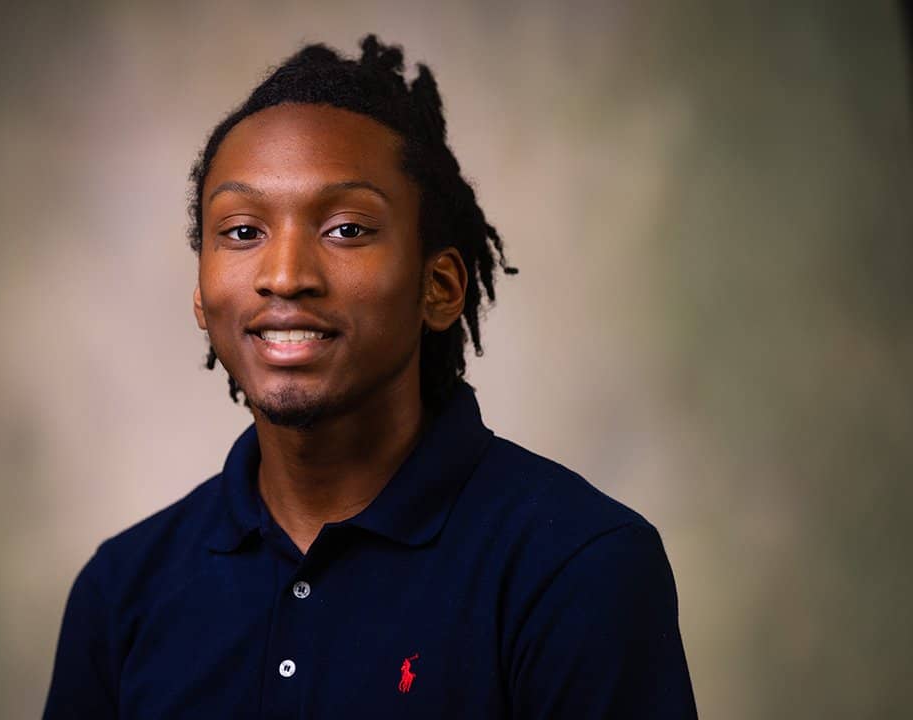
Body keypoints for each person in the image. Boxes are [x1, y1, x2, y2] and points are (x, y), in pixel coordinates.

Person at [42, 35, 697, 719]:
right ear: (202, 297)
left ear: (438, 288)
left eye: (347, 228)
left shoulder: (578, 567)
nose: (286, 274)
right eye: (241, 231)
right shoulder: (121, 592)